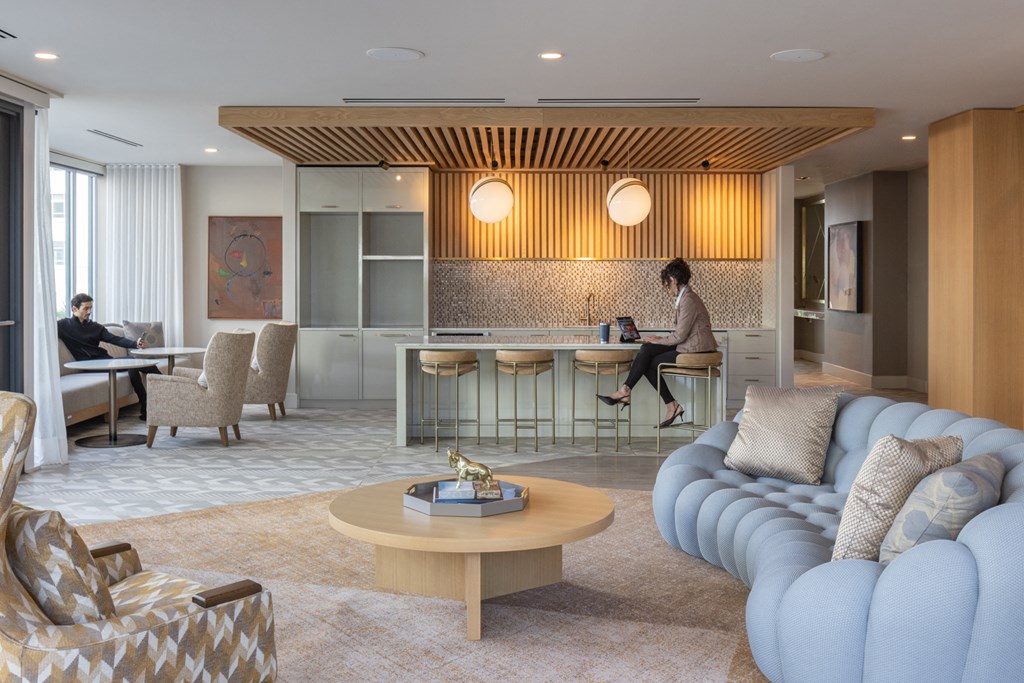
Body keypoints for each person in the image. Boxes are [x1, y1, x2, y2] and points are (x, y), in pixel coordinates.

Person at [597, 258, 717, 427]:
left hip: (696, 350)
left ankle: (633, 394)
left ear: (673, 280)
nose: (667, 289)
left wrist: (661, 340)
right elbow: (681, 334)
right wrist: (658, 340)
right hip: (691, 345)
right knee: (646, 349)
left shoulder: (688, 300)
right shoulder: (687, 298)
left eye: (667, 284)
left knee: (648, 360)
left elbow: (680, 336)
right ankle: (635, 394)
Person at [57, 293, 159, 420]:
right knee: (133, 364)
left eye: (90, 308)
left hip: (105, 361)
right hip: (89, 365)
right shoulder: (63, 326)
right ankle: (147, 406)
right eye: (86, 308)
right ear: (74, 309)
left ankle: (160, 401)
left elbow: (114, 339)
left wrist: (135, 343)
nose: (89, 311)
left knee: (144, 365)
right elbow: (43, 329)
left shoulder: (95, 327)